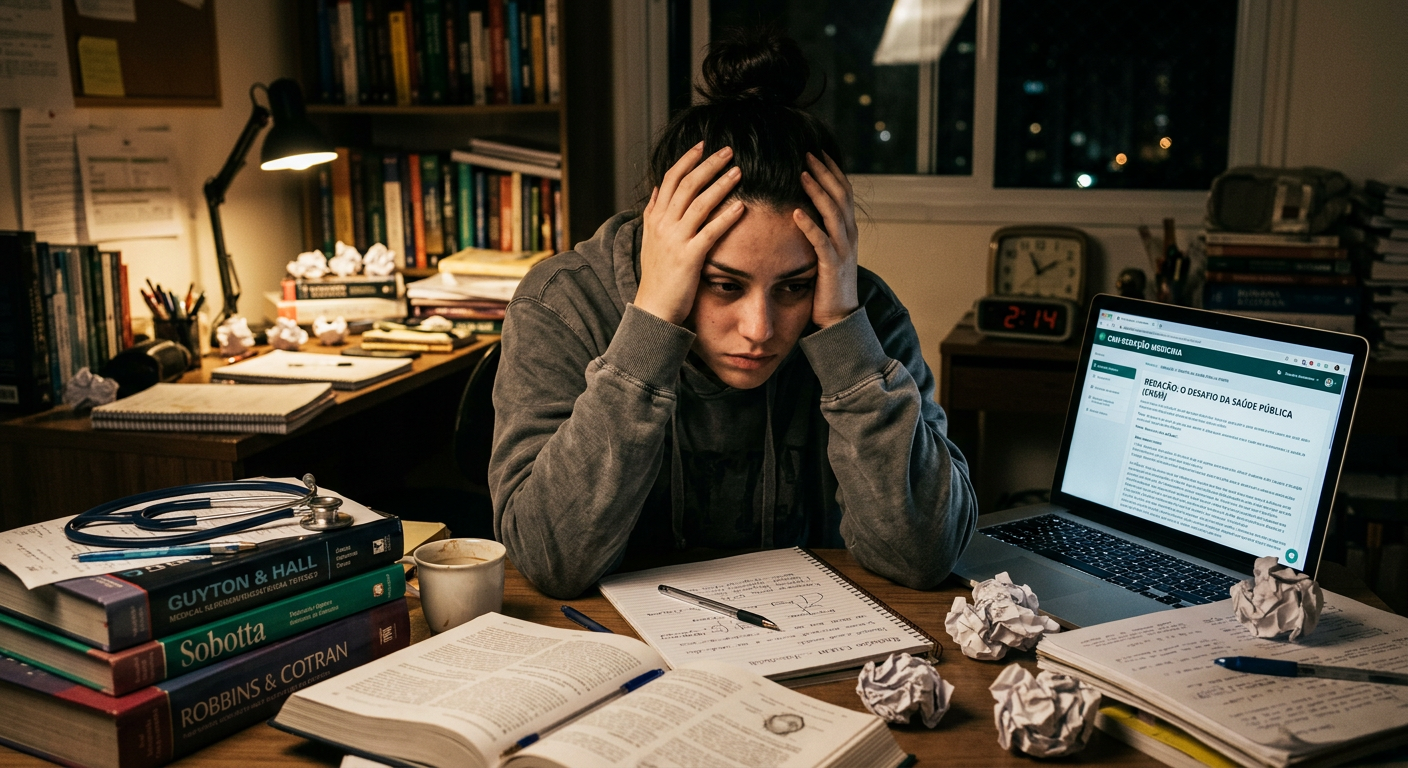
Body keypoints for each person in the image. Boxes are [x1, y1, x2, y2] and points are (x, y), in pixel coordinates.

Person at [488, 29, 978, 599]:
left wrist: (845, 334)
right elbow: (552, 561)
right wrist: (651, 323)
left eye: (794, 287)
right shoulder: (563, 304)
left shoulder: (864, 315)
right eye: (724, 284)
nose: (760, 330)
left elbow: (924, 555)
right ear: (664, 247)